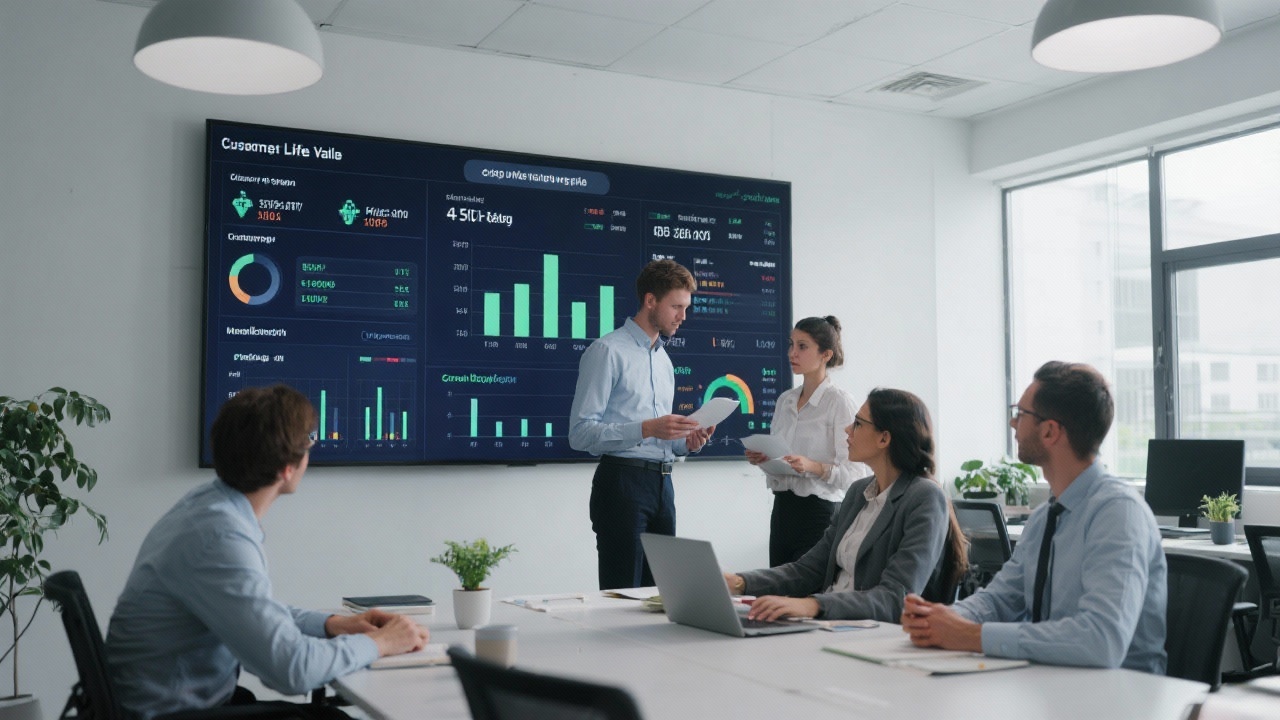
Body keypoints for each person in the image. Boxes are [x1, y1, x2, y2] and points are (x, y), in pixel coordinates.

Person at [106, 385, 430, 720]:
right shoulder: (219, 538)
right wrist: (382, 643)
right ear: (287, 469)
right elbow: (292, 670)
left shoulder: (206, 507)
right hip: (172, 713)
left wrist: (335, 625)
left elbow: (256, 611)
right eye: (310, 441)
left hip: (183, 702)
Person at [901, 361, 1167, 673]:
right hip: (1052, 681)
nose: (1013, 424)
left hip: (1120, 696)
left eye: (1021, 414)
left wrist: (972, 635)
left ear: (1050, 431)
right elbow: (1001, 599)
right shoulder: (1045, 517)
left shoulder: (1118, 514)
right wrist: (939, 619)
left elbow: (1101, 640)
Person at [725, 388, 967, 622]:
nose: (847, 429)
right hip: (832, 624)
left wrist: (813, 605)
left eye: (858, 424)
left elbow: (896, 598)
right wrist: (738, 582)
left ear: (884, 438)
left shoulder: (924, 497)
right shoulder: (857, 493)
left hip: (869, 633)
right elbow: (809, 570)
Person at [568, 258, 716, 590]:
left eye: (685, 307)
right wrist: (646, 428)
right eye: (676, 306)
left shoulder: (664, 361)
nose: (683, 317)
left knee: (661, 596)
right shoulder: (607, 351)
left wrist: (686, 442)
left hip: (663, 486)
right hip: (621, 484)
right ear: (650, 301)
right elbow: (580, 433)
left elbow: (664, 440)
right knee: (622, 594)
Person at [745, 316, 871, 566]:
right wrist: (765, 459)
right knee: (778, 594)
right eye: (791, 345)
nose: (792, 353)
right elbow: (783, 458)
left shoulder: (839, 402)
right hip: (782, 511)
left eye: (802, 347)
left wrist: (812, 466)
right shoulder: (785, 400)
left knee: (806, 595)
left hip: (819, 514)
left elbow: (857, 474)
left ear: (825, 354)